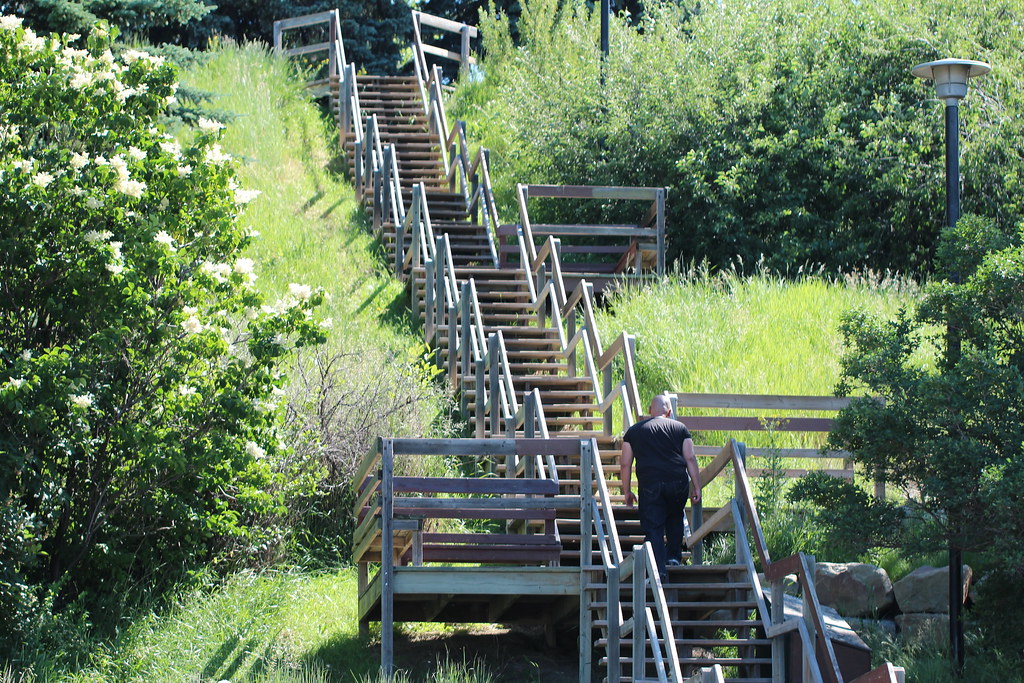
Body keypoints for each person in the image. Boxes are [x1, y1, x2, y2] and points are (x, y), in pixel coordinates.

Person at [620, 394, 702, 581]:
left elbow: (625, 463)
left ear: (649, 411)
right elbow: (690, 457)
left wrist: (626, 491)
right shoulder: (680, 428)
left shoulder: (634, 432)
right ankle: (673, 557)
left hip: (650, 484)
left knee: (654, 527)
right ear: (669, 411)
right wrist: (696, 486)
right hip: (677, 482)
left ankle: (658, 571)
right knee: (675, 516)